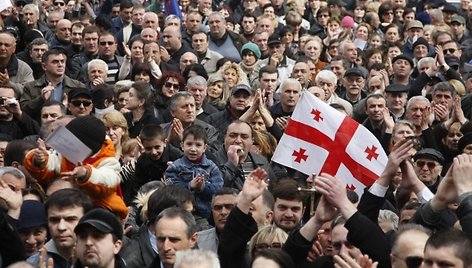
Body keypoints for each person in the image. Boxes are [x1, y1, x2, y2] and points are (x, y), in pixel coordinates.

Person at [24, 116, 128, 220]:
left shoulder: (108, 161)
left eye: (72, 141)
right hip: (65, 207)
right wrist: (39, 160)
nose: (67, 144)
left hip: (101, 212)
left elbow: (108, 180)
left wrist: (86, 173)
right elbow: (51, 163)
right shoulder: (64, 155)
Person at [165, 125, 224, 220]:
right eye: (189, 144)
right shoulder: (175, 167)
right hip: (181, 213)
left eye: (198, 145)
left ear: (204, 148)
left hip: (207, 214)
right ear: (182, 146)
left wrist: (203, 187)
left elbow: (218, 189)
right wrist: (189, 185)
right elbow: (171, 192)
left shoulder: (211, 167)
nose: (193, 149)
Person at [26, 188, 93, 267]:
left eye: (70, 219)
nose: (61, 227)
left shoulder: (102, 260)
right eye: (54, 220)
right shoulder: (33, 264)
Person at [119, 124, 182, 205]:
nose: (153, 152)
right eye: (148, 148)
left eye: (157, 147)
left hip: (175, 196)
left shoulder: (175, 155)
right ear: (142, 146)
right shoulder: (142, 160)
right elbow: (137, 186)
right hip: (149, 198)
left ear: (165, 142)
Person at [21, 48, 85, 122]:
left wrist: (66, 109)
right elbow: (23, 112)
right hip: (41, 129)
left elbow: (85, 111)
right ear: (44, 66)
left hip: (70, 128)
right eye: (55, 62)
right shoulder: (30, 87)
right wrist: (40, 99)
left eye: (62, 61)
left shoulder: (78, 86)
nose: (60, 65)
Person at [214, 120, 276, 191]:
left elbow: (272, 191)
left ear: (252, 140)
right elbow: (216, 189)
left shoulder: (262, 161)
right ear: (225, 138)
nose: (238, 141)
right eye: (233, 136)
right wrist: (231, 165)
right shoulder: (213, 160)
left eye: (244, 137)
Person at [197, 187, 237, 253]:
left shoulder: (252, 240)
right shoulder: (198, 241)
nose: (223, 212)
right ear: (212, 211)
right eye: (218, 208)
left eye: (229, 207)